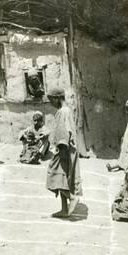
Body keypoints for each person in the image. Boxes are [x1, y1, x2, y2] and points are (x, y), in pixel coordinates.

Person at [45, 86, 82, 217]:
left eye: (51, 100)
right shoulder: (67, 110)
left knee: (55, 176)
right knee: (63, 179)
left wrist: (61, 150)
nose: (50, 103)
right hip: (67, 149)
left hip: (63, 150)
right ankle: (64, 209)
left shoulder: (62, 112)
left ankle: (71, 197)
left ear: (56, 98)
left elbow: (63, 132)